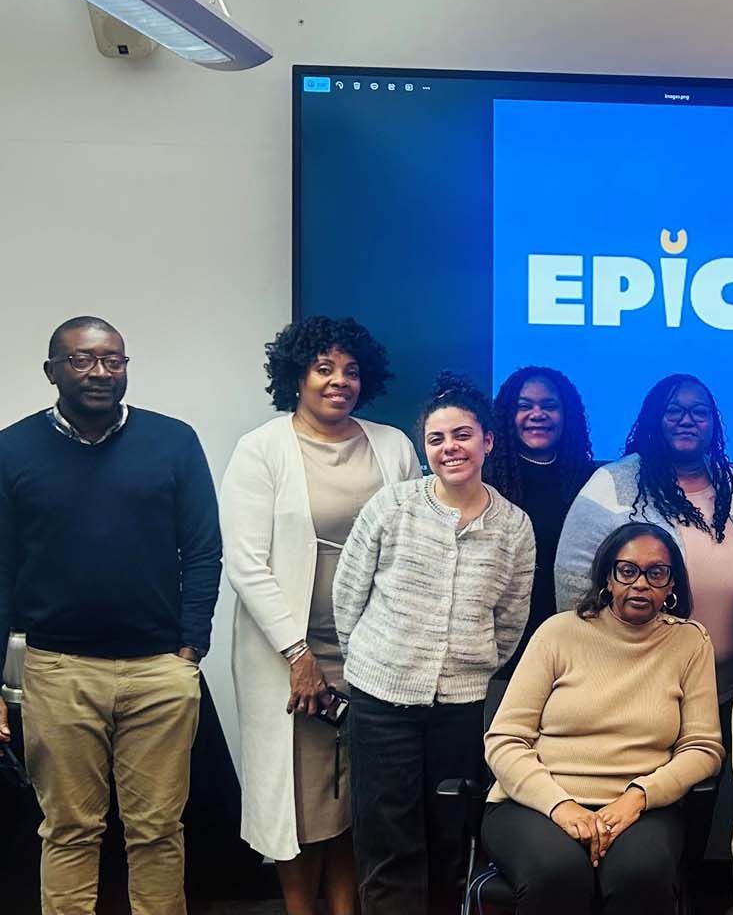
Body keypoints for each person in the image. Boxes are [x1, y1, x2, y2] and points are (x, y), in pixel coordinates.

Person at [0, 316, 222, 915]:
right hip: (58, 669)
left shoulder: (173, 441)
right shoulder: (11, 450)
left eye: (113, 360)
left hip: (158, 670)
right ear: (52, 371)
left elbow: (202, 550)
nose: (101, 372)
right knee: (69, 831)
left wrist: (189, 649)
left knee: (157, 832)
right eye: (83, 360)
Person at [220, 317, 421, 914]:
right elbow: (247, 563)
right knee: (298, 797)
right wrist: (298, 655)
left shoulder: (392, 446)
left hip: (372, 651)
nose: (340, 382)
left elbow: (416, 543)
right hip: (288, 654)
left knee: (357, 794)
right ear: (297, 376)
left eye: (351, 371)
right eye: (324, 369)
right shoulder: (262, 449)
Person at [333, 372, 535, 915]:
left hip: (460, 708)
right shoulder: (392, 507)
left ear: (488, 441)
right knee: (387, 840)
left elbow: (511, 619)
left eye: (463, 435)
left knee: (450, 836)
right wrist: (376, 662)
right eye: (437, 439)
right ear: (425, 448)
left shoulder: (514, 526)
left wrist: (472, 665)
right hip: (380, 703)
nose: (451, 448)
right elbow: (348, 597)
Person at [482, 522, 723, 915]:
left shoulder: (690, 642)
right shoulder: (558, 633)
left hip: (640, 809)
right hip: (535, 803)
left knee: (640, 875)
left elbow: (703, 748)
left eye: (656, 573)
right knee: (558, 872)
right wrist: (561, 806)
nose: (640, 584)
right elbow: (505, 740)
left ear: (671, 584)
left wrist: (638, 797)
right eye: (627, 570)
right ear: (607, 578)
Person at [556, 374, 733, 704]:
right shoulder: (612, 485)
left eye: (699, 412)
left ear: (713, 423)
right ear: (654, 419)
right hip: (640, 689)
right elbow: (572, 587)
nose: (687, 420)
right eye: (673, 411)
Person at [486, 365, 594, 676]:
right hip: (500, 646)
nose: (538, 414)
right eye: (524, 406)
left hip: (572, 640)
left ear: (566, 415)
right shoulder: (486, 480)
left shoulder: (589, 482)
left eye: (549, 406)